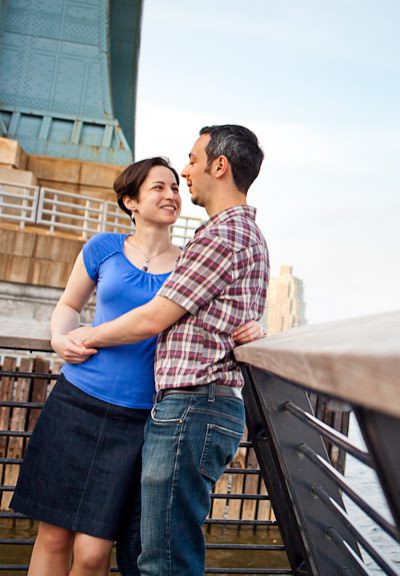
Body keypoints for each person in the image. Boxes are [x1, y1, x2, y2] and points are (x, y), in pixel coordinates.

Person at [10, 156, 265, 576]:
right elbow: (69, 306)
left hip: (137, 419)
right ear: (131, 201)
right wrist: (60, 338)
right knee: (53, 536)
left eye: (174, 188)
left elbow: (222, 310)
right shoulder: (102, 248)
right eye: (158, 188)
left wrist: (253, 327)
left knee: (94, 552)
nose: (171, 195)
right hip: (76, 401)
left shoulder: (190, 261)